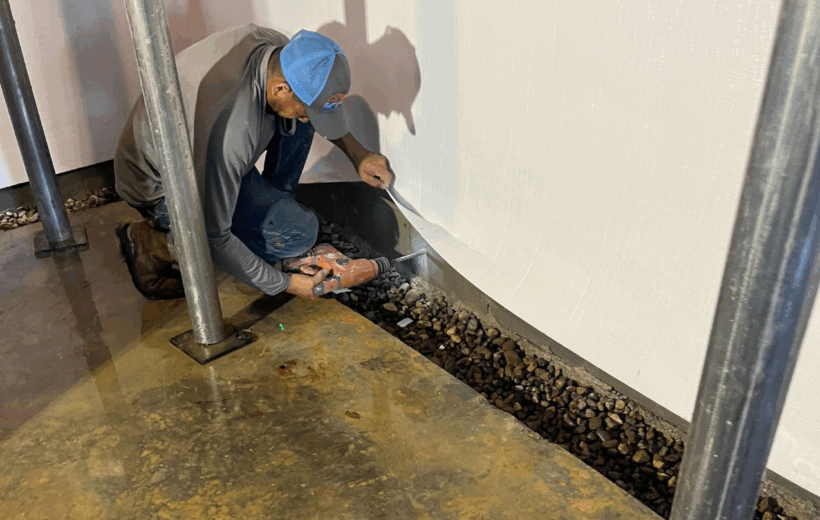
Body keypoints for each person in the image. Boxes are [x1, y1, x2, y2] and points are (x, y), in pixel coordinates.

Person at [114, 26, 393, 300]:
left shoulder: (277, 51)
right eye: (309, 111)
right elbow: (214, 235)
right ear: (281, 88)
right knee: (298, 233)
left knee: (299, 121)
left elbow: (311, 109)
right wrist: (283, 283)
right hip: (161, 188)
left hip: (200, 154)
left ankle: (266, 223)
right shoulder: (231, 129)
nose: (308, 118)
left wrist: (359, 154)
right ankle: (154, 246)